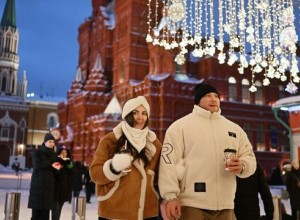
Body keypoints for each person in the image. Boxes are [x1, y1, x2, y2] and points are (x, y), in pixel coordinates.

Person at [158, 83, 257, 220]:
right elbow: (168, 163)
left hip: (226, 205)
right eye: (208, 95)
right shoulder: (180, 127)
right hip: (191, 205)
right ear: (198, 100)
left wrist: (243, 166)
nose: (213, 99)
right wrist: (170, 196)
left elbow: (249, 157)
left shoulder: (234, 129)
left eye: (216, 96)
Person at [90, 96, 162, 220]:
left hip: (147, 212)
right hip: (114, 210)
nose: (140, 117)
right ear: (127, 115)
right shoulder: (110, 140)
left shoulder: (154, 144)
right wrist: (113, 168)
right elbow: (95, 174)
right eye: (135, 113)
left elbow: (162, 175)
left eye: (144, 113)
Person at [28, 133, 61, 220]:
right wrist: (51, 164)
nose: (52, 144)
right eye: (50, 141)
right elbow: (37, 165)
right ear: (45, 142)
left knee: (45, 216)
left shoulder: (54, 155)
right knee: (36, 215)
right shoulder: (38, 153)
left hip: (48, 189)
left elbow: (55, 173)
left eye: (53, 142)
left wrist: (57, 168)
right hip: (38, 188)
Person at [52, 146, 73, 220]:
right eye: (62, 152)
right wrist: (60, 163)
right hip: (55, 190)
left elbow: (72, 172)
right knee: (55, 210)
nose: (64, 153)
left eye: (65, 152)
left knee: (59, 210)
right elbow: (54, 173)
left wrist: (67, 162)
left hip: (64, 190)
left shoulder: (69, 162)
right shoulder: (56, 160)